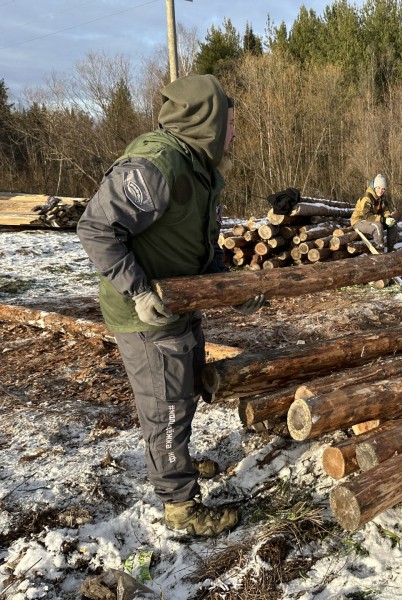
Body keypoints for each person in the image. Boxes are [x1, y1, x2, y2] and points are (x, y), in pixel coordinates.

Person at [77, 74, 267, 537]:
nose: (235, 133)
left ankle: (174, 462)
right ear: (207, 121)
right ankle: (178, 504)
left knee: (182, 391)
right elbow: (96, 228)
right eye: (230, 124)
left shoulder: (198, 167)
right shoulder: (156, 166)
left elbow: (197, 252)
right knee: (165, 404)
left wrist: (232, 290)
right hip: (145, 314)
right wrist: (138, 291)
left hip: (179, 306)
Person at [350, 174, 398, 252]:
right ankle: (380, 249)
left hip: (371, 220)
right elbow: (367, 216)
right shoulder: (367, 198)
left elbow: (385, 210)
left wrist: (388, 217)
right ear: (374, 187)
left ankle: (390, 248)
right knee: (377, 226)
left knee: (393, 224)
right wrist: (383, 219)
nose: (380, 191)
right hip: (359, 221)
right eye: (378, 188)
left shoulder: (381, 197)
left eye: (383, 189)